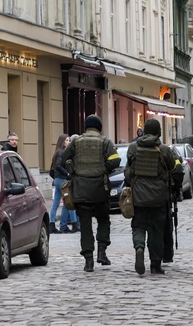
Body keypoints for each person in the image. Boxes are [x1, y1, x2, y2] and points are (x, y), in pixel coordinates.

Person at [60, 115, 120, 272]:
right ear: (99, 128)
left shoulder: (76, 142)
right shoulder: (105, 142)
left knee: (85, 225)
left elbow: (63, 160)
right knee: (103, 220)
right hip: (100, 189)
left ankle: (88, 260)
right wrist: (104, 169)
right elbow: (116, 160)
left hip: (81, 190)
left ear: (85, 127)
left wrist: (74, 169)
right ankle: (101, 251)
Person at [125, 119, 183, 275]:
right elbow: (176, 170)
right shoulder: (164, 150)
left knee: (138, 226)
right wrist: (175, 189)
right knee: (157, 230)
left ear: (144, 131)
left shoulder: (133, 148)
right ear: (159, 132)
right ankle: (155, 265)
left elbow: (128, 172)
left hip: (138, 197)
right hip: (159, 198)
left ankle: (139, 248)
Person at [49, 134, 78, 234]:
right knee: (68, 202)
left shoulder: (57, 152)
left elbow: (52, 168)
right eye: (66, 140)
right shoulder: (62, 152)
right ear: (62, 142)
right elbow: (58, 166)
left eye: (69, 140)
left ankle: (52, 225)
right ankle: (72, 224)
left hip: (57, 180)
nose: (68, 142)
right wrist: (67, 174)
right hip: (62, 180)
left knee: (56, 204)